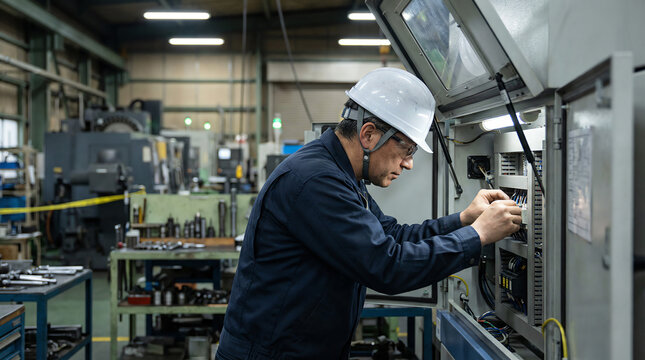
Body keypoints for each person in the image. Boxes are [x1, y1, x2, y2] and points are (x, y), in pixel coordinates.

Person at [216, 68, 521, 359]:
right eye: (407, 150)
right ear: (370, 134)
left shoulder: (341, 176)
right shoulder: (315, 182)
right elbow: (387, 265)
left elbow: (392, 235)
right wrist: (478, 235)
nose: (408, 163)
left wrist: (464, 220)